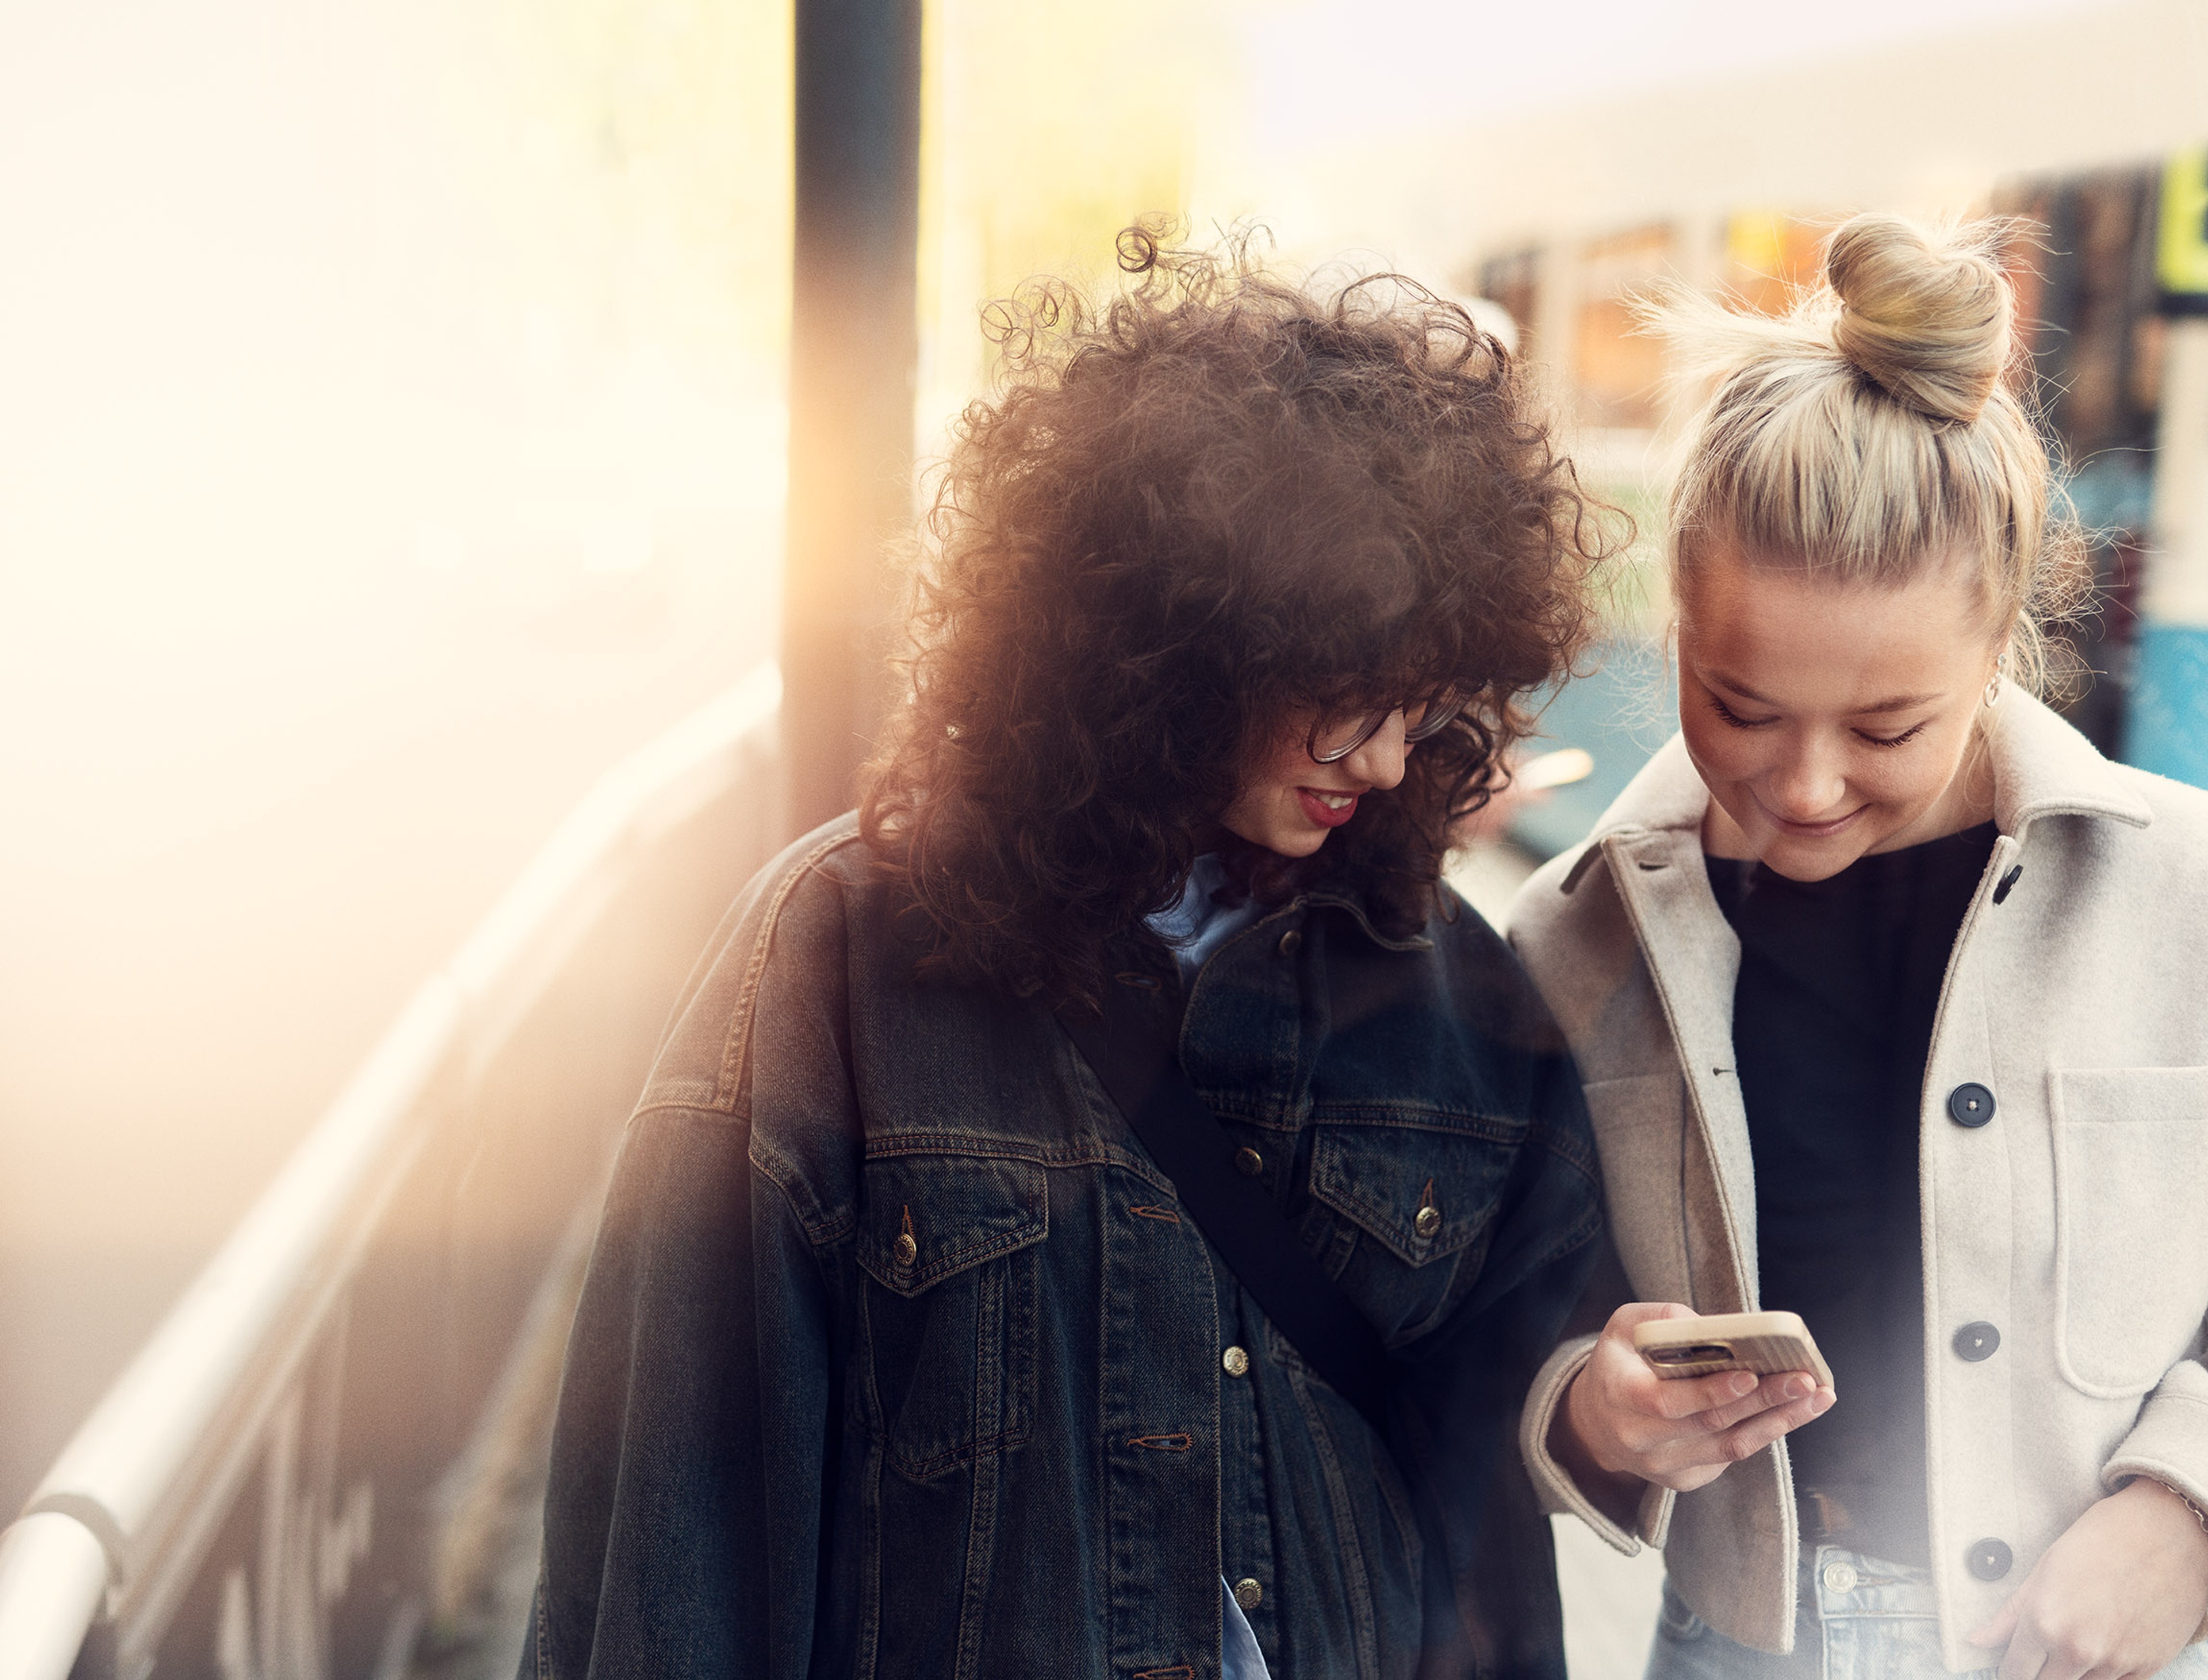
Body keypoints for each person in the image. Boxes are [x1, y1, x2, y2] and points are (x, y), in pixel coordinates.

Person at [528, 228, 1617, 1680]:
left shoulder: (1458, 994)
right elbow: (676, 1540)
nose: (1387, 751)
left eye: (1423, 697)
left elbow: (1493, 1522)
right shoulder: (834, 961)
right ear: (1170, 648)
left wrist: (1613, 1401)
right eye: (1341, 688)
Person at [1509, 210, 2208, 1680]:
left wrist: (2186, 1510)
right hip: (1735, 1643)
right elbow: (1510, 1317)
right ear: (1674, 625)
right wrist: (1594, 1405)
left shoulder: (2186, 891)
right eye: (1741, 707)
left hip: (2086, 1645)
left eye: (1887, 726)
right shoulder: (1572, 937)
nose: (1806, 785)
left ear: (2004, 630)